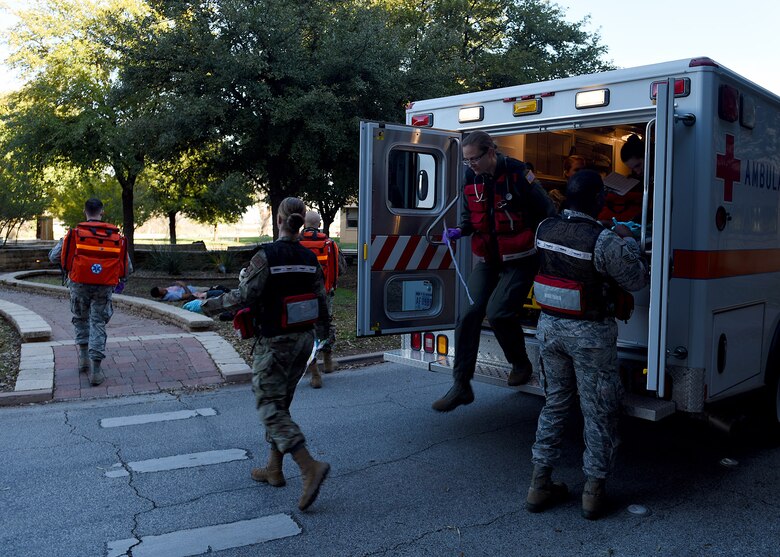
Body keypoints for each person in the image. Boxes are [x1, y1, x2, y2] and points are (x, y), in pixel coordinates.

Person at [183, 197, 331, 511]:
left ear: (279, 219)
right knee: (282, 402)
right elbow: (322, 300)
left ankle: (309, 466)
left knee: (268, 406)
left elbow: (243, 295)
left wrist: (205, 304)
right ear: (301, 220)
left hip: (276, 340)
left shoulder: (267, 256)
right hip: (304, 340)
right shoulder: (308, 257)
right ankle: (274, 469)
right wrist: (322, 336)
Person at [526, 170, 649, 520]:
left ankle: (539, 484)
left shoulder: (544, 229)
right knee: (598, 412)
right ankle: (593, 493)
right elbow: (637, 279)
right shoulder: (604, 240)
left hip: (548, 329)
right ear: (599, 201)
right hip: (590, 336)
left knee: (554, 405)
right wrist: (627, 241)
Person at [432, 131, 556, 412]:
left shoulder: (518, 174)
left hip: (521, 257)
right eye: (466, 160)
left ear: (490, 152)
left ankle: (520, 363)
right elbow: (468, 218)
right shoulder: (470, 178)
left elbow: (548, 212)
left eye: (474, 158)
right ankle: (461, 385)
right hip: (489, 257)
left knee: (499, 312)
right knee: (468, 314)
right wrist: (459, 231)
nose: (471, 164)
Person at [48, 198, 131, 386]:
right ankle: (96, 370)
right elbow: (128, 268)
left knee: (80, 319)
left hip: (79, 284)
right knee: (98, 322)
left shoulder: (74, 234)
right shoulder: (115, 237)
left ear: (85, 212)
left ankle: (83, 358)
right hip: (104, 286)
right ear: (102, 212)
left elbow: (53, 257)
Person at [299, 210, 347, 388]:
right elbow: (341, 269)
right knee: (326, 325)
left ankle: (315, 374)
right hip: (325, 294)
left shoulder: (295, 243)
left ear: (304, 224)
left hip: (301, 296)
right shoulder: (330, 244)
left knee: (306, 330)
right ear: (319, 224)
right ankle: (328, 361)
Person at [597, 134, 645, 225]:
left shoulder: (660, 177)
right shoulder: (635, 180)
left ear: (647, 157)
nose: (637, 172)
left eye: (638, 165)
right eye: (632, 169)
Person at [150, 282, 229, 302]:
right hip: (197, 291)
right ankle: (231, 293)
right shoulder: (172, 296)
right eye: (162, 290)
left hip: (194, 289)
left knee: (217, 288)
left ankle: (231, 292)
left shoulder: (166, 292)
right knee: (218, 288)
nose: (164, 288)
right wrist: (183, 285)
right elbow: (188, 295)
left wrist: (175, 284)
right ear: (161, 294)